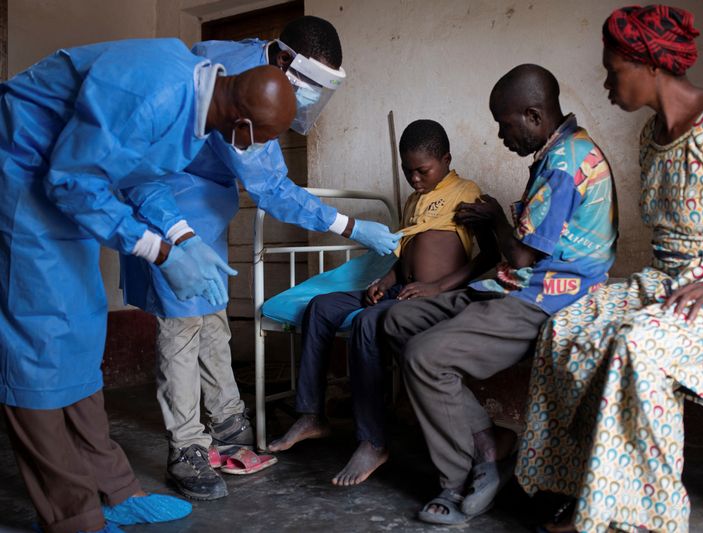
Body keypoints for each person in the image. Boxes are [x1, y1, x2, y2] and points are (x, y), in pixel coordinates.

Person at [514, 6, 703, 533]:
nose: (604, 83)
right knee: (565, 328)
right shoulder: (650, 138)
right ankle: (582, 493)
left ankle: (643, 519)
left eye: (612, 69)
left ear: (649, 65)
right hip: (672, 277)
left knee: (638, 347)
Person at [0, 38, 297, 533]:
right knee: (39, 340)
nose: (254, 149)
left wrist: (181, 236)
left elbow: (139, 173)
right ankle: (73, 515)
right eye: (260, 139)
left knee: (82, 325)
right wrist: (159, 252)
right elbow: (73, 182)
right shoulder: (156, 92)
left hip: (68, 178)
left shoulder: (200, 93)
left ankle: (116, 490)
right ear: (242, 127)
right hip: (23, 172)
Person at [118, 16, 402, 501]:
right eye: (311, 86)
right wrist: (352, 227)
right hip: (166, 200)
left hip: (204, 204)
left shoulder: (255, 59)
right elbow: (273, 188)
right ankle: (186, 447)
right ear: (284, 60)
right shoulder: (247, 91)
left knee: (211, 314)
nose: (309, 100)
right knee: (182, 324)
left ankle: (228, 420)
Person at [382, 65, 618, 525]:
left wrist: (491, 217)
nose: (500, 134)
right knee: (396, 320)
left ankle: (457, 479)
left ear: (532, 114)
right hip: (512, 286)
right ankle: (488, 439)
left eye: (504, 123)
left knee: (425, 357)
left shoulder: (567, 163)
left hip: (544, 298)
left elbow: (523, 257)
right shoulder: (558, 153)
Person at [266, 119, 499, 486]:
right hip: (401, 287)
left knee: (366, 322)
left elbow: (487, 256)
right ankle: (311, 413)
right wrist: (385, 280)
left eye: (423, 170)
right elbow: (404, 251)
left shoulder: (466, 193)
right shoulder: (412, 200)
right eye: (409, 172)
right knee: (321, 308)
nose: (416, 179)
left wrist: (436, 288)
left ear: (446, 159)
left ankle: (372, 441)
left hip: (433, 295)